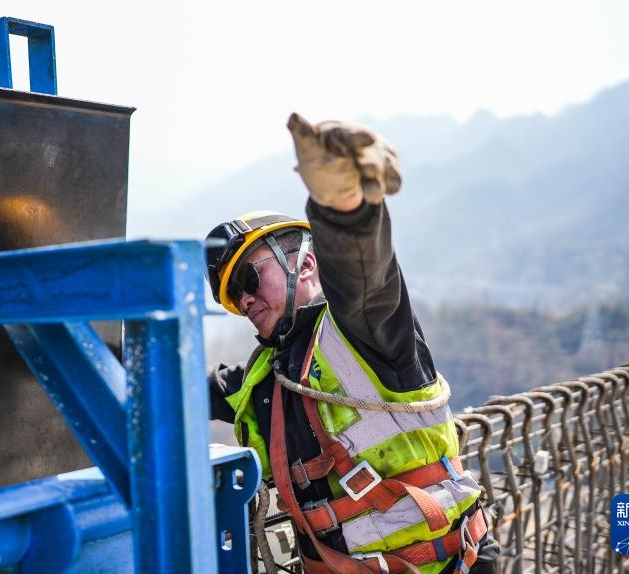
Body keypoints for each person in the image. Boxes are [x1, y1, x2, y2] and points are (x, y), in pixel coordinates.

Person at [206, 114, 499, 574]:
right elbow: (179, 384)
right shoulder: (268, 376)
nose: (244, 299)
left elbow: (365, 272)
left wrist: (342, 206)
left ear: (304, 266)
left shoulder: (365, 330)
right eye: (235, 299)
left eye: (248, 277)